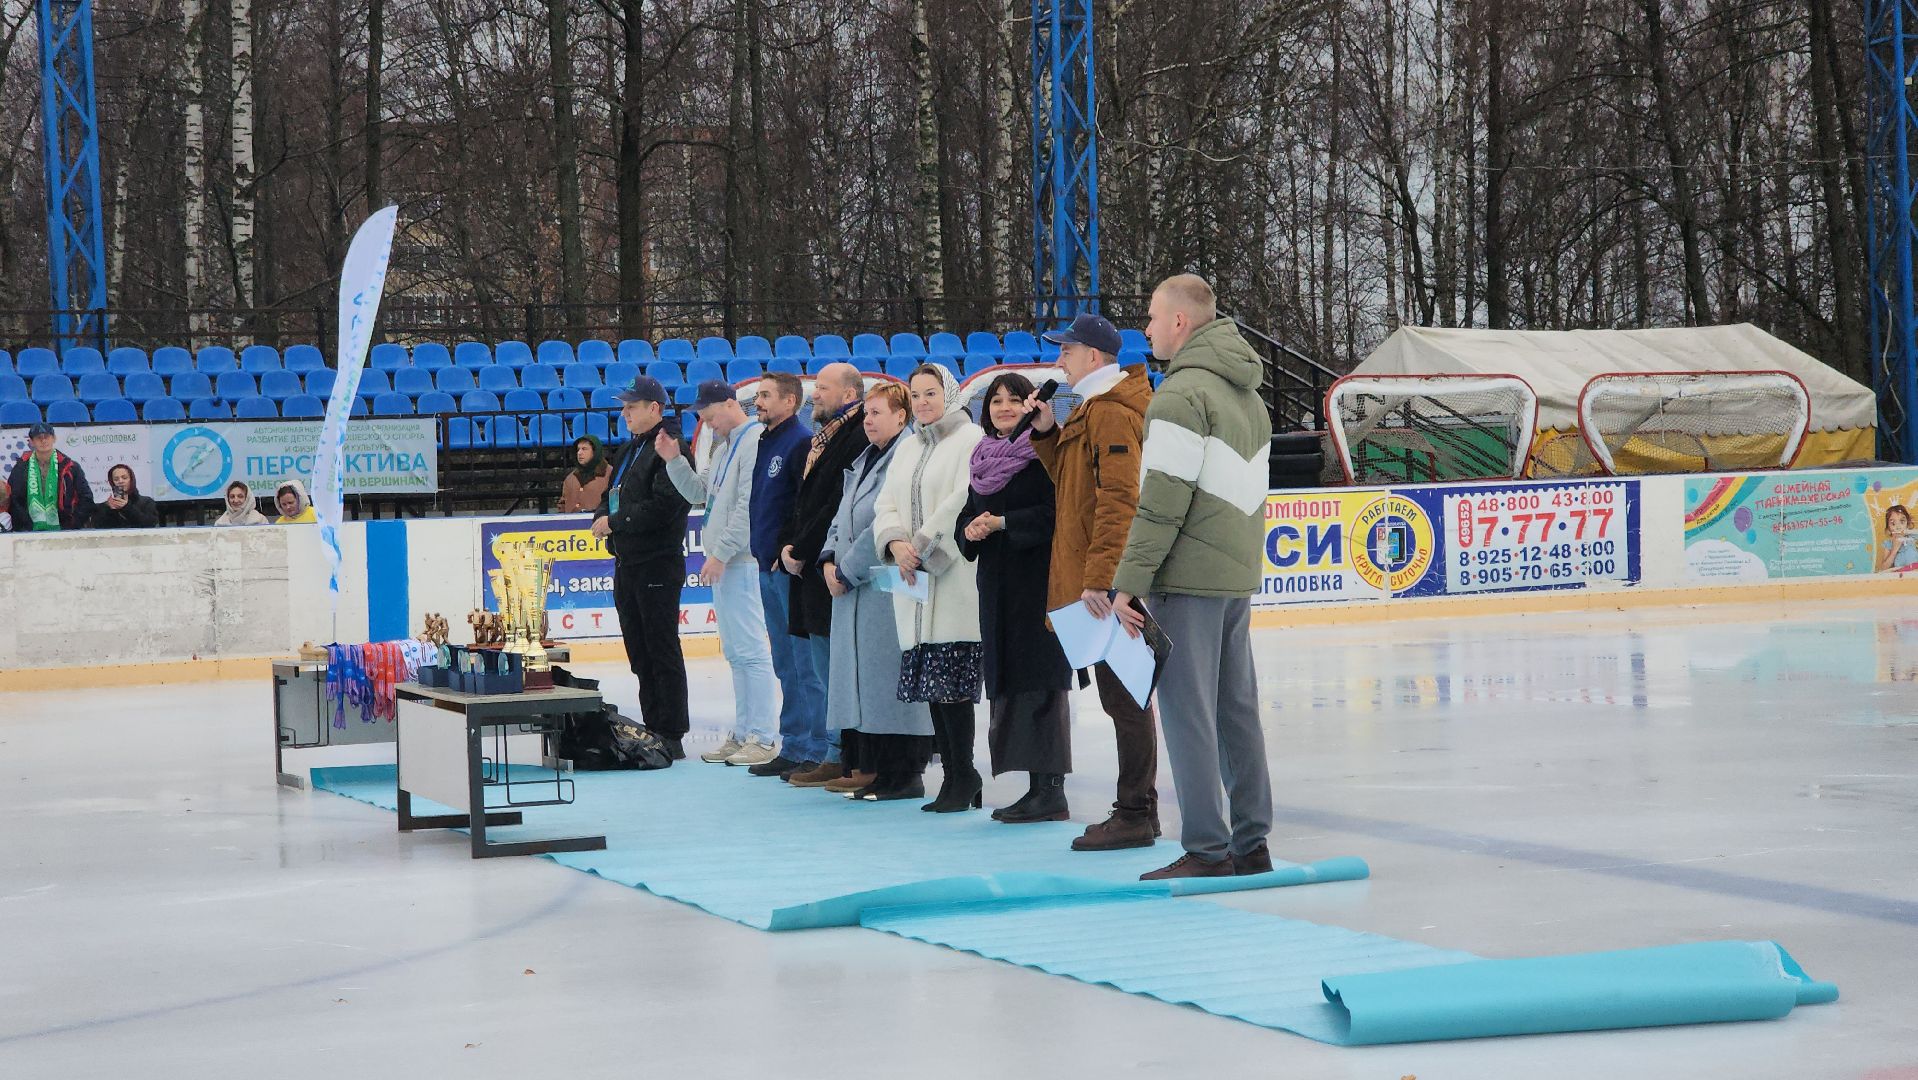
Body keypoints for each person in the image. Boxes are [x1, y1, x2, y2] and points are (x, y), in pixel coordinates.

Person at [1111, 274, 1275, 880]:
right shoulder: (1248, 394)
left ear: (1179, 322)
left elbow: (1161, 503)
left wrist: (1130, 581)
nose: (1147, 328)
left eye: (1153, 317)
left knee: (1189, 716)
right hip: (1232, 574)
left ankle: (1208, 848)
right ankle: (1251, 843)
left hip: (1186, 580)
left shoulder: (1180, 396)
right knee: (1236, 711)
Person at [1027, 311, 1162, 851]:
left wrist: (1103, 577)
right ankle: (1139, 809)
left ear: (1093, 356)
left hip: (1107, 581)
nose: (1060, 360)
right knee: (1122, 697)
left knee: (1126, 698)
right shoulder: (1092, 408)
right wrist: (1047, 434)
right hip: (1099, 575)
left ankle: (1135, 812)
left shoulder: (1109, 411)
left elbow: (1119, 500)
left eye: (1067, 350)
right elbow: (1074, 485)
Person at [957, 371, 1074, 823]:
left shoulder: (1043, 452)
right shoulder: (985, 458)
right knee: (1013, 685)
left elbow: (1057, 512)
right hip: (998, 586)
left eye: (1013, 399)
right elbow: (969, 512)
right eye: (996, 401)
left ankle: (1050, 790)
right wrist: (970, 529)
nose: (1004, 408)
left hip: (1038, 585)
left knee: (1041, 684)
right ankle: (1034, 787)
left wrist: (1004, 523)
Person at [872, 363, 986, 812]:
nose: (922, 402)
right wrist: (895, 544)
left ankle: (964, 773)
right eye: (916, 395)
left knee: (953, 687)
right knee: (933, 689)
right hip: (912, 581)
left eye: (930, 393)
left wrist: (921, 546)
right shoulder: (908, 446)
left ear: (949, 394)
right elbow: (885, 502)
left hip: (952, 579)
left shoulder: (970, 439)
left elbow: (963, 498)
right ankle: (956, 776)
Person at [818, 382, 933, 800]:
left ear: (901, 417)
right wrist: (828, 559)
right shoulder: (865, 458)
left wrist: (846, 570)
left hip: (886, 585)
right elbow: (841, 516)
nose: (867, 420)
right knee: (867, 683)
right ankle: (874, 767)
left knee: (889, 681)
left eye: (877, 413)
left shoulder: (905, 456)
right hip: (854, 587)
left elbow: (882, 524)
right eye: (866, 413)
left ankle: (902, 772)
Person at [659, 380, 779, 765]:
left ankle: (762, 735)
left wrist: (722, 552)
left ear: (730, 404)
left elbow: (748, 507)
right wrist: (674, 461)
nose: (709, 425)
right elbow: (701, 494)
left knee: (751, 650)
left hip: (741, 561)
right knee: (736, 652)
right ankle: (744, 731)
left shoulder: (753, 441)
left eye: (710, 417)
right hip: (727, 562)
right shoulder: (725, 446)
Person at [778, 362, 871, 787]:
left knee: (836, 668)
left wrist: (803, 549)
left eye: (823, 388)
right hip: (812, 567)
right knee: (821, 665)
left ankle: (845, 753)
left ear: (850, 394)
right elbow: (804, 501)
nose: (815, 394)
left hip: (831, 566)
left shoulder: (854, 436)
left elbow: (835, 504)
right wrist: (789, 544)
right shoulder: (826, 436)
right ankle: (837, 751)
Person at [591, 375, 692, 759]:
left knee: (661, 647)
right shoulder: (629, 449)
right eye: (623, 407)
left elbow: (666, 506)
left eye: (631, 407)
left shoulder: (670, 448)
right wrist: (602, 515)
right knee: (639, 650)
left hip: (657, 563)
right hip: (628, 563)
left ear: (654, 408)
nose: (624, 414)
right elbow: (609, 494)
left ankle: (671, 731)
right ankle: (654, 724)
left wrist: (615, 522)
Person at [742, 371, 823, 778]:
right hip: (765, 566)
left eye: (766, 396)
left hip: (786, 569)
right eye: (758, 395)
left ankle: (816, 748)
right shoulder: (766, 440)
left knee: (803, 663)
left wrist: (785, 547)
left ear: (790, 401)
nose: (757, 402)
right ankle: (793, 744)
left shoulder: (800, 442)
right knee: (784, 663)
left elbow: (802, 505)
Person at [7, 422, 95, 531]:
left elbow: (86, 498)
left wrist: (73, 524)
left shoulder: (71, 467)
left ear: (54, 438)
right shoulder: (20, 467)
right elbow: (14, 499)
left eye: (47, 437)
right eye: (39, 438)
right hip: (29, 531)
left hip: (65, 530)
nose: (43, 441)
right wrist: (25, 526)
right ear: (31, 442)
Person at [88, 463, 159, 529]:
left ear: (131, 480)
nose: (120, 481)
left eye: (124, 478)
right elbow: (98, 527)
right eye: (116, 479)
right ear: (112, 482)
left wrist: (127, 507)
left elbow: (150, 524)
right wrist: (111, 510)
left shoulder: (146, 502)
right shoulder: (104, 506)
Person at [561, 435, 612, 513]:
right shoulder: (570, 478)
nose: (579, 453)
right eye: (578, 449)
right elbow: (562, 505)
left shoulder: (610, 474)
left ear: (595, 451)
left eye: (584, 449)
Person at [1878, 505, 1918, 572]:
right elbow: (1883, 569)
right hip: (1900, 575)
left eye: (1902, 522)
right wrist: (1894, 549)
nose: (1898, 526)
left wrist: (1907, 531)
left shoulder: (1913, 537)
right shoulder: (1889, 543)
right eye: (1893, 523)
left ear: (1907, 524)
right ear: (1889, 528)